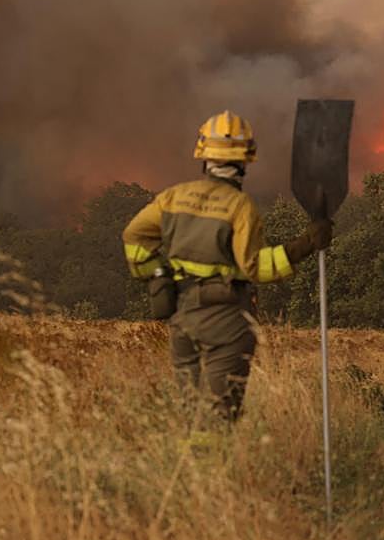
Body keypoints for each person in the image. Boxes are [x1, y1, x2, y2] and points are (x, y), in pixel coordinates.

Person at [122, 110, 332, 422]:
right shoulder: (239, 206)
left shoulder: (173, 197)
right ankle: (212, 466)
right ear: (245, 160)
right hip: (225, 320)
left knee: (190, 413)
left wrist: (156, 275)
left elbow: (133, 236)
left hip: (183, 318)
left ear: (203, 155)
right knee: (218, 417)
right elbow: (254, 267)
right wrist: (303, 246)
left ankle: (187, 468)